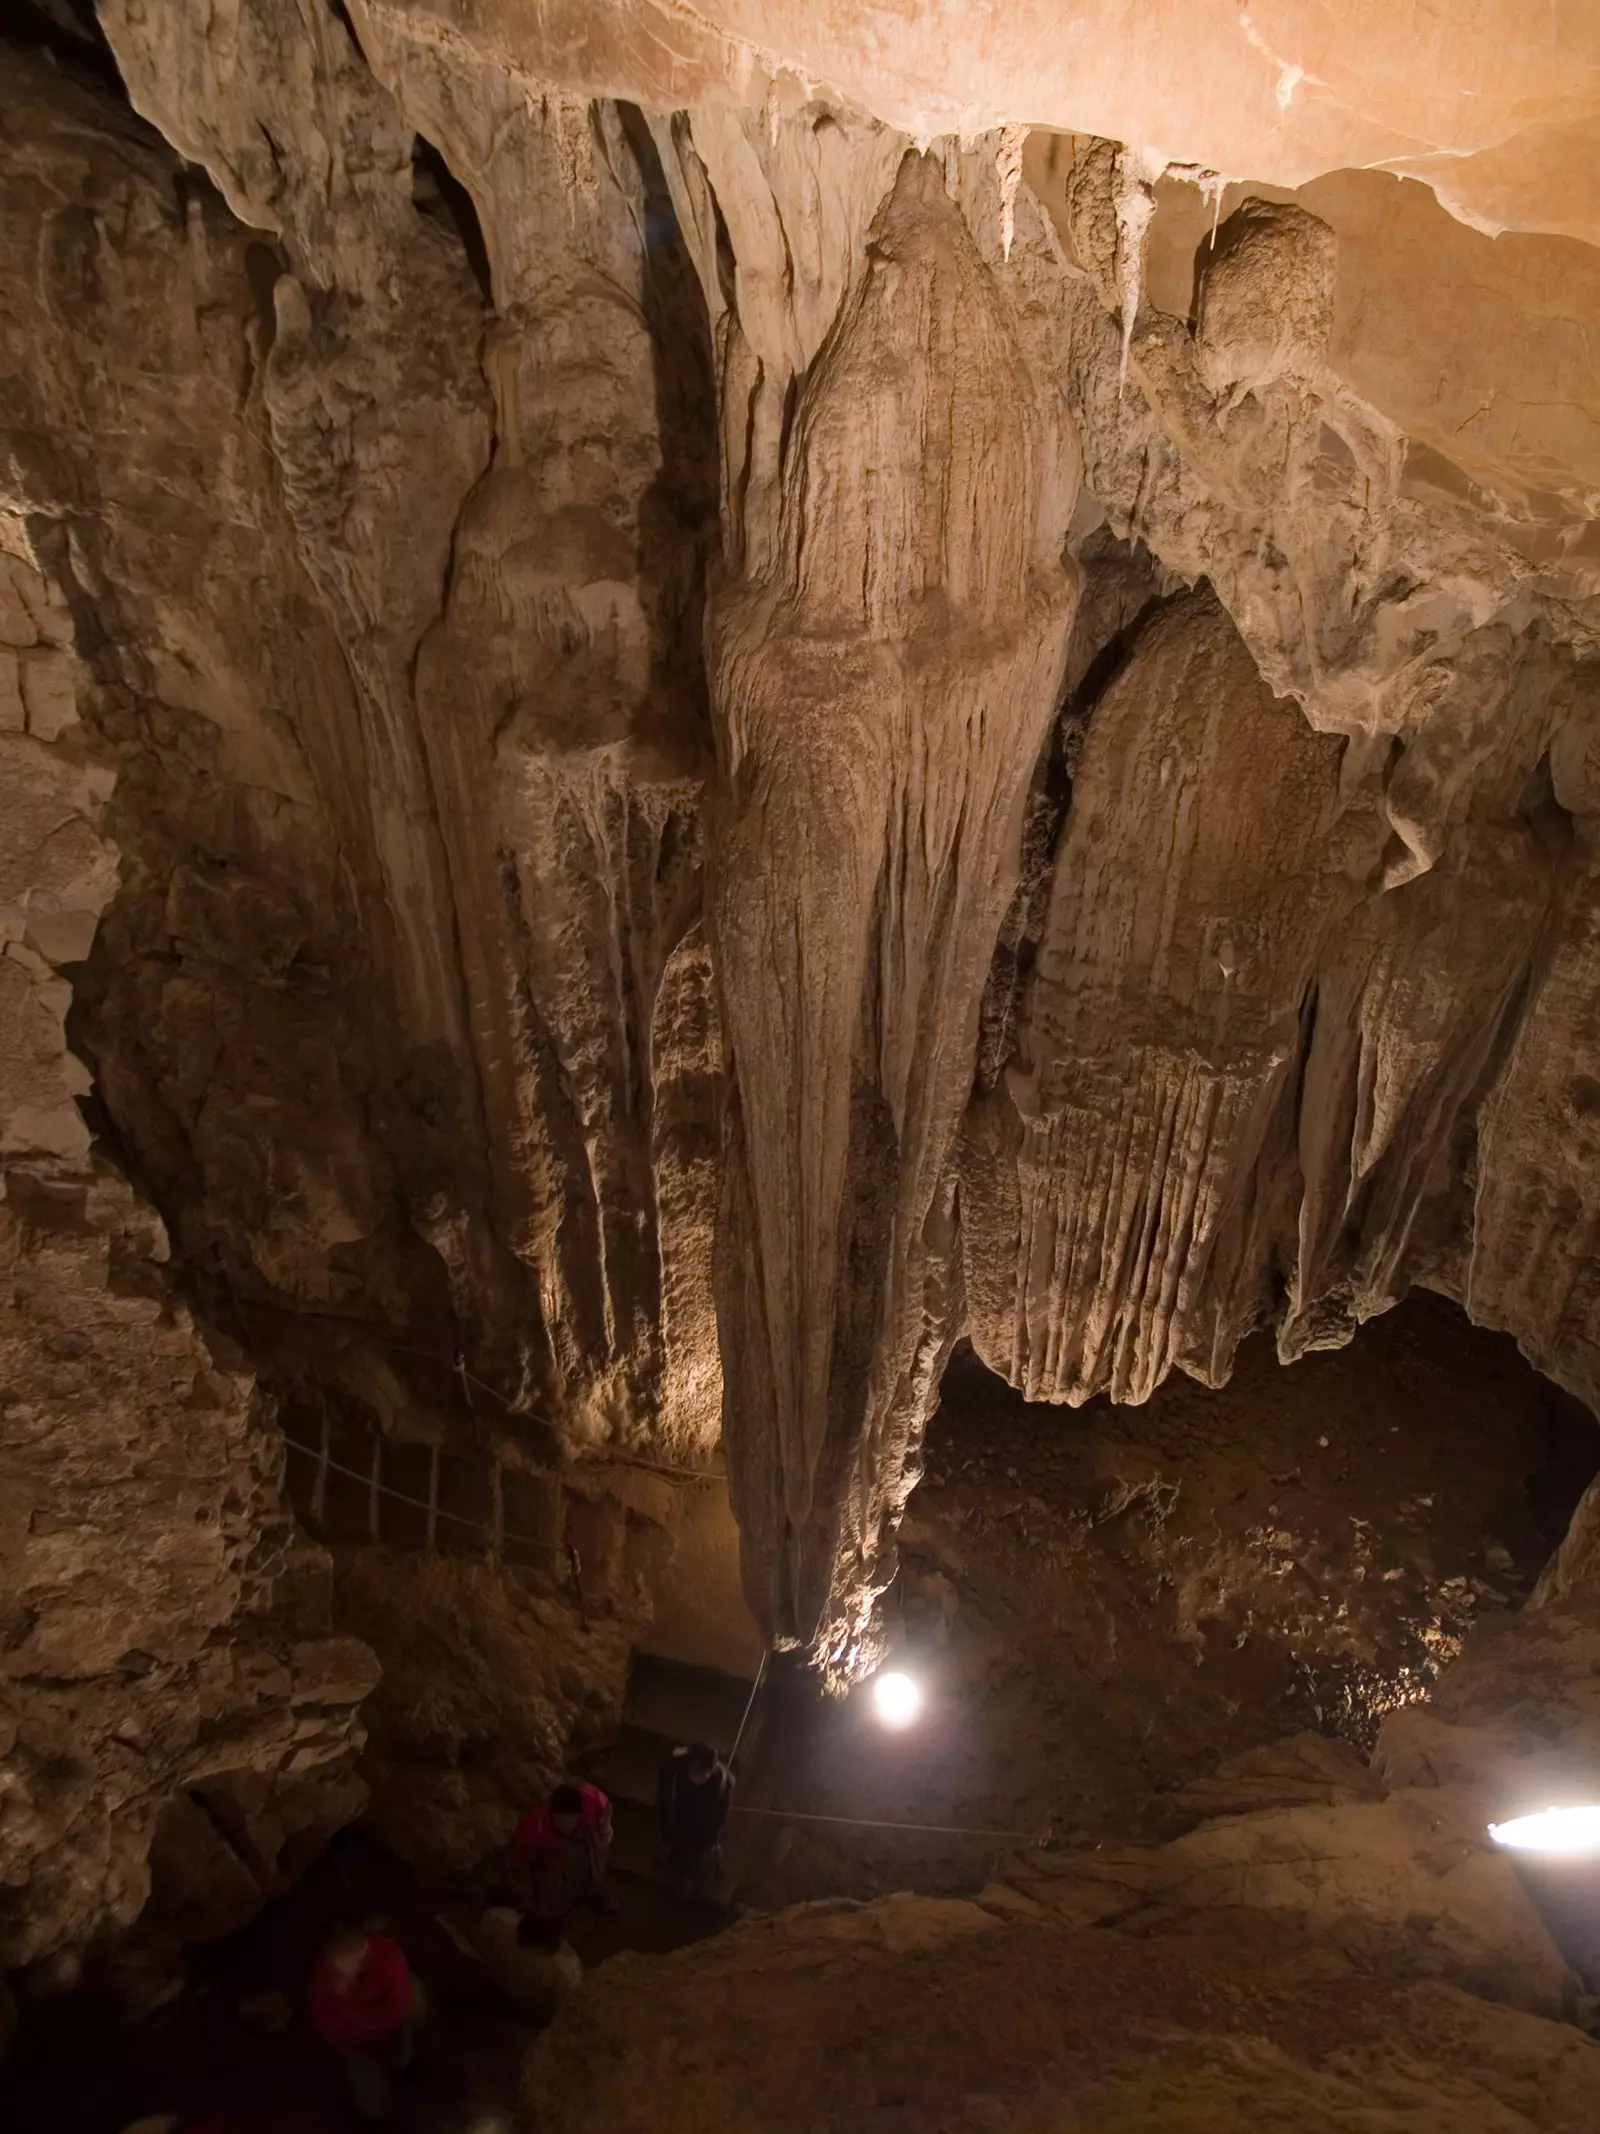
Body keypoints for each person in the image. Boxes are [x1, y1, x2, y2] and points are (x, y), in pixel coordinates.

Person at [308, 1925, 425, 2123]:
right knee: (370, 2093)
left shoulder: (387, 1956)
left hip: (392, 2027)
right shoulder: (324, 1980)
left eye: (349, 1959)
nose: (338, 1973)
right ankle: (378, 2118)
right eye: (334, 1965)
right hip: (358, 2046)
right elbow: (328, 2024)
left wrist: (350, 2003)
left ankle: (403, 2066)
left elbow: (397, 2004)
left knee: (403, 2047)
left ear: (363, 1952)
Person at [509, 1782, 617, 1937]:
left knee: (593, 1855)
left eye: (570, 1821)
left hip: (584, 1832)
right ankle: (559, 1911)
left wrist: (604, 1829)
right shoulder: (532, 1832)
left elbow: (606, 1807)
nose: (565, 1826)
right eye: (560, 1821)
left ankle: (592, 1888)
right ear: (551, 1813)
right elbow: (519, 1864)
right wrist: (526, 1900)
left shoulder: (592, 1800)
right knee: (554, 1871)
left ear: (579, 1815)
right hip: (550, 1852)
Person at [656, 1741, 733, 1902]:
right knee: (676, 1847)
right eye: (699, 1772)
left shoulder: (721, 1782)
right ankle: (674, 1860)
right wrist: (669, 1833)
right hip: (681, 1808)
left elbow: (718, 1820)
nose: (703, 1776)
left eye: (707, 1772)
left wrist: (709, 1840)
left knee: (699, 1855)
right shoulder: (672, 1771)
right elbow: (665, 1802)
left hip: (702, 1819)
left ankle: (695, 1875)